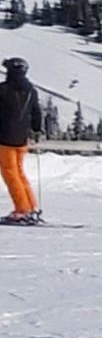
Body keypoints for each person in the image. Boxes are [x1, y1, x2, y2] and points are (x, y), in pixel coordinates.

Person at [0, 58, 43, 226]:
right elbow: (36, 112)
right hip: (22, 138)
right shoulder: (31, 90)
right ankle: (31, 207)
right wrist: (36, 130)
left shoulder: (3, 90)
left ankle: (22, 209)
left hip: (4, 137)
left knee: (10, 173)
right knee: (19, 172)